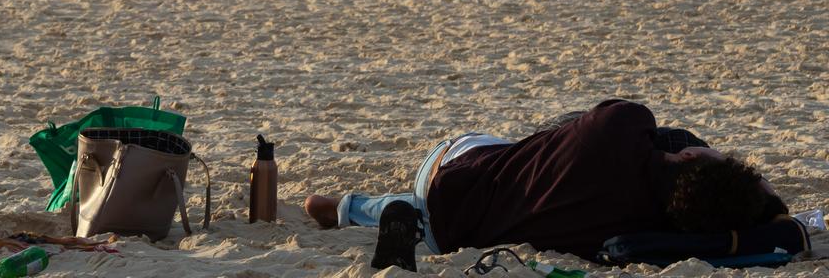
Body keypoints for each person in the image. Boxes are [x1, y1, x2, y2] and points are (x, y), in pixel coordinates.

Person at [303, 100, 787, 271]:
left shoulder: (624, 122)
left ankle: (363, 208)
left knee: (534, 151)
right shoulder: (651, 228)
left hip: (454, 165)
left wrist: (718, 156)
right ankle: (356, 209)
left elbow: (586, 127)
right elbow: (772, 222)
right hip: (455, 235)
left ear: (688, 157)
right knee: (463, 210)